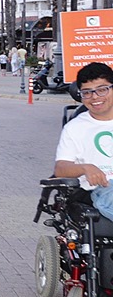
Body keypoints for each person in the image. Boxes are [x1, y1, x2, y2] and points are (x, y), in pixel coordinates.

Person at [54, 62, 113, 221]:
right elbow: (60, 168)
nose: (95, 97)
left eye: (102, 90)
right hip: (97, 191)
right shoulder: (75, 128)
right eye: (87, 92)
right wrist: (85, 168)